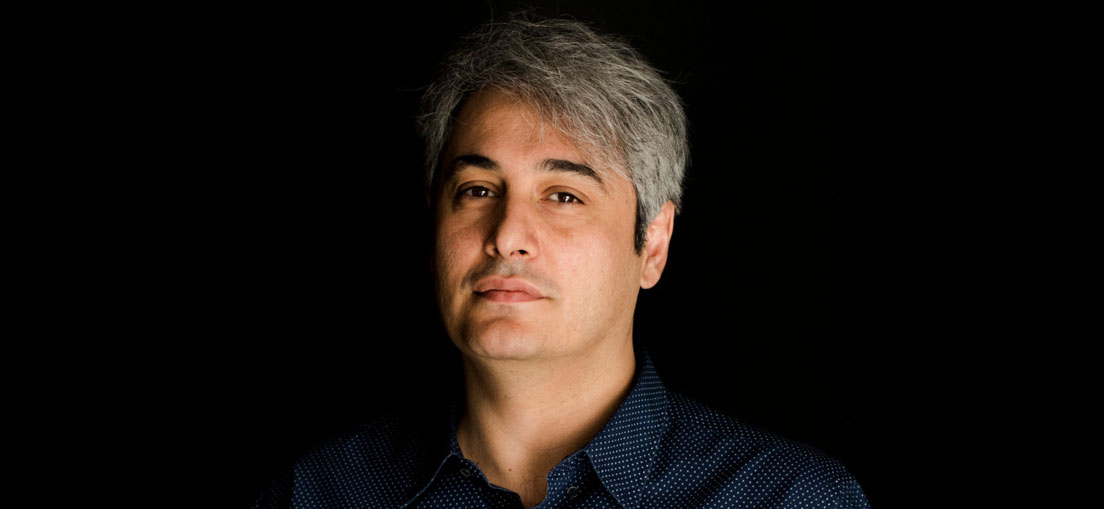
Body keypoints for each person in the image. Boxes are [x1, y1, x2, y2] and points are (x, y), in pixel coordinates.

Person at [253, 14, 869, 508]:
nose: (506, 236)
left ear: (653, 244)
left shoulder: (788, 499)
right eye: (478, 190)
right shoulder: (318, 493)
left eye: (564, 196)